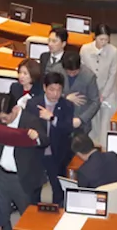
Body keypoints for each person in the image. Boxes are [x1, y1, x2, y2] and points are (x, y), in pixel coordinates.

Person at [0, 93, 46, 229]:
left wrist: (37, 137)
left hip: (23, 178)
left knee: (28, 217)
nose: (2, 121)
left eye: (5, 118)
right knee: (1, 215)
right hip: (0, 175)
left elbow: (45, 140)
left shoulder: (30, 120)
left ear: (15, 109)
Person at [29, 71, 75, 204]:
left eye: (58, 90)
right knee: (34, 188)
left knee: (58, 188)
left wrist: (52, 118)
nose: (55, 94)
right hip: (36, 153)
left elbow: (68, 128)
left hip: (57, 153)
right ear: (44, 88)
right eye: (51, 89)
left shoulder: (67, 105)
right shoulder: (33, 104)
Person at [78, 24, 117, 142]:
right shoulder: (85, 49)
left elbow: (113, 74)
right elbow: (82, 71)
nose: (104, 42)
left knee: (105, 123)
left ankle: (105, 146)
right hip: (90, 91)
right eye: (101, 39)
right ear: (95, 37)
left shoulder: (113, 51)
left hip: (107, 91)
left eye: (106, 39)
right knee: (92, 122)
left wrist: (104, 94)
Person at [60, 52, 99, 134]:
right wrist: (65, 98)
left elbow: (95, 102)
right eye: (68, 72)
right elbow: (48, 92)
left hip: (80, 124)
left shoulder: (89, 76)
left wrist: (81, 119)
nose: (71, 75)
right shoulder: (57, 71)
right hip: (59, 119)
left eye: (74, 72)